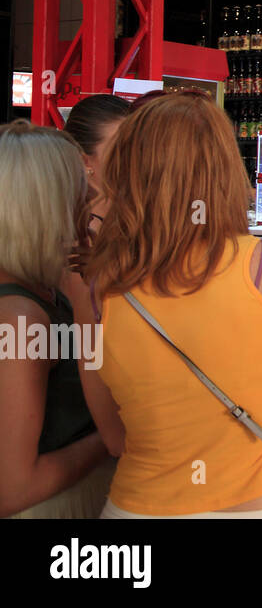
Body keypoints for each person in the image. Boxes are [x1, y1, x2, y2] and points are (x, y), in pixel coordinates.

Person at [74, 92, 262, 518]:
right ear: (225, 167)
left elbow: (114, 438)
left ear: (130, 170)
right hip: (259, 505)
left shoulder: (97, 285)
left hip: (138, 508)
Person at [0, 121, 114, 518]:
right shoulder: (20, 318)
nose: (94, 195)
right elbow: (12, 487)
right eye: (79, 188)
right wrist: (116, 436)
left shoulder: (43, 290)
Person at [64, 94, 130, 234]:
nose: (135, 157)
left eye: (141, 145)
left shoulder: (146, 219)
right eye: (121, 149)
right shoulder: (70, 236)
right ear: (84, 161)